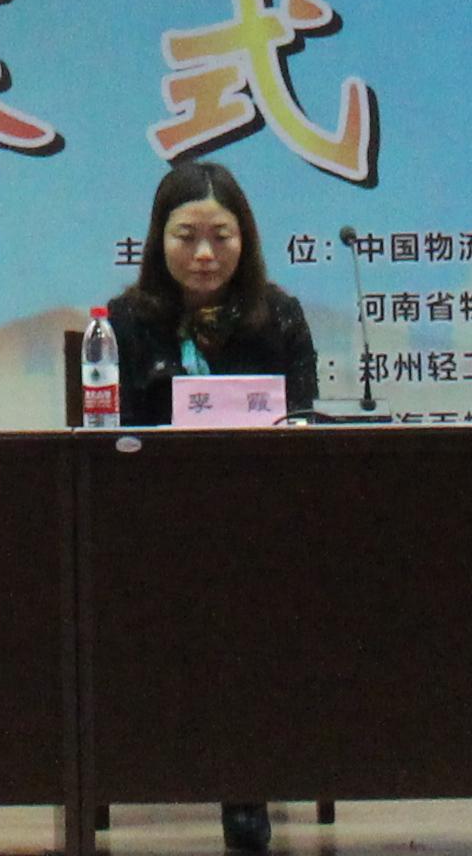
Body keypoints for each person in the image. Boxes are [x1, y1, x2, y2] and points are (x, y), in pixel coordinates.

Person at [108, 162, 315, 856]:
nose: (204, 254)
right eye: (186, 236)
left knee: (250, 603)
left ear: (244, 239)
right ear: (158, 240)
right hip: (155, 526)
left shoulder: (278, 315)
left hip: (261, 523)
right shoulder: (125, 322)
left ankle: (244, 785)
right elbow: (114, 436)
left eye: (220, 236)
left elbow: (302, 419)